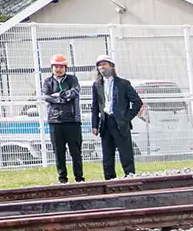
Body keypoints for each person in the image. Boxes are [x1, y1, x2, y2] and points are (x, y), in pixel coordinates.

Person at [90, 55, 143, 179]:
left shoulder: (123, 84)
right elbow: (95, 106)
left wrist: (126, 117)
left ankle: (129, 176)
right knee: (107, 155)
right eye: (99, 65)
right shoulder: (97, 85)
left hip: (120, 122)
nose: (102, 67)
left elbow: (137, 102)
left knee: (126, 153)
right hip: (105, 122)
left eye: (104, 64)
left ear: (111, 66)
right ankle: (109, 179)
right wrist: (94, 124)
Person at [41, 54, 85, 183]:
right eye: (56, 67)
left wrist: (58, 96)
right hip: (55, 121)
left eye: (61, 67)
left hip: (72, 121)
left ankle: (79, 178)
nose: (58, 69)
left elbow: (74, 92)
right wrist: (64, 98)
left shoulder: (72, 79)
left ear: (65, 68)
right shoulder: (48, 82)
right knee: (59, 152)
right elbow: (46, 97)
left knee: (76, 151)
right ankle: (62, 179)